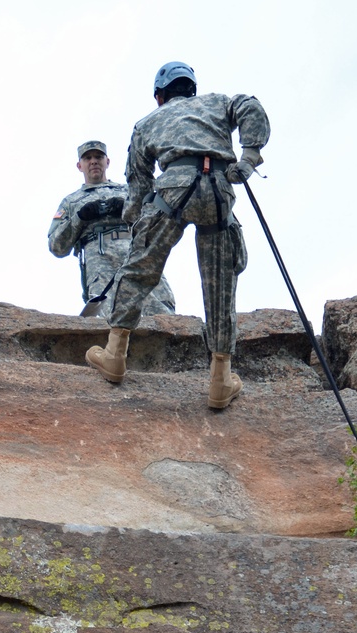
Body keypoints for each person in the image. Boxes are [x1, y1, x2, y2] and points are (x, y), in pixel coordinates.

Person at [85, 62, 270, 409]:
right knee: (220, 285)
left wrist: (133, 221)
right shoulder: (217, 102)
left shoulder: (147, 124)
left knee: (139, 269)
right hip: (218, 192)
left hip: (171, 192)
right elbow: (250, 106)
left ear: (159, 96)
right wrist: (249, 156)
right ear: (191, 89)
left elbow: (138, 184)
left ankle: (115, 355)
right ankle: (220, 380)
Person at [49, 140, 175, 317]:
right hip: (100, 261)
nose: (93, 161)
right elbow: (57, 246)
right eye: (88, 158)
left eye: (98, 157)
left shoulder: (128, 191)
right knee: (108, 315)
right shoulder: (71, 201)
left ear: (107, 162)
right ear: (79, 165)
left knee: (159, 309)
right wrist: (79, 218)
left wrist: (129, 209)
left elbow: (158, 220)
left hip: (136, 253)